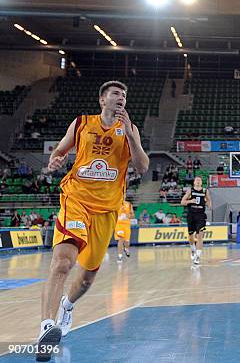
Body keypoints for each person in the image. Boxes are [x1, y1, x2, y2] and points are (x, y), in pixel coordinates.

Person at [36, 80, 149, 361]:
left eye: (124, 95)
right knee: (63, 261)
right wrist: (56, 159)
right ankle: (46, 326)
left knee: (86, 279)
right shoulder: (82, 123)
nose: (121, 98)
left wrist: (133, 138)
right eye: (115, 94)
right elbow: (59, 151)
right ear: (102, 100)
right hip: (77, 199)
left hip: (107, 209)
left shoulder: (129, 130)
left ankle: (67, 305)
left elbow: (143, 167)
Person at [181, 175, 212, 266]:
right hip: (191, 215)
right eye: (197, 180)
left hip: (201, 215)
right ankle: (193, 249)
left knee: (200, 235)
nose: (198, 181)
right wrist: (190, 201)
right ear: (194, 182)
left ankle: (198, 257)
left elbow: (209, 201)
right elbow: (182, 202)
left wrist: (209, 204)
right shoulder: (190, 190)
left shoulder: (205, 191)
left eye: (200, 180)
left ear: (202, 182)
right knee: (191, 236)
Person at [115, 197, 135, 262]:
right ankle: (119, 256)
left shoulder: (129, 204)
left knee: (127, 242)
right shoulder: (115, 203)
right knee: (120, 240)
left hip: (126, 225)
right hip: (118, 225)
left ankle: (126, 248)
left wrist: (127, 215)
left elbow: (133, 216)